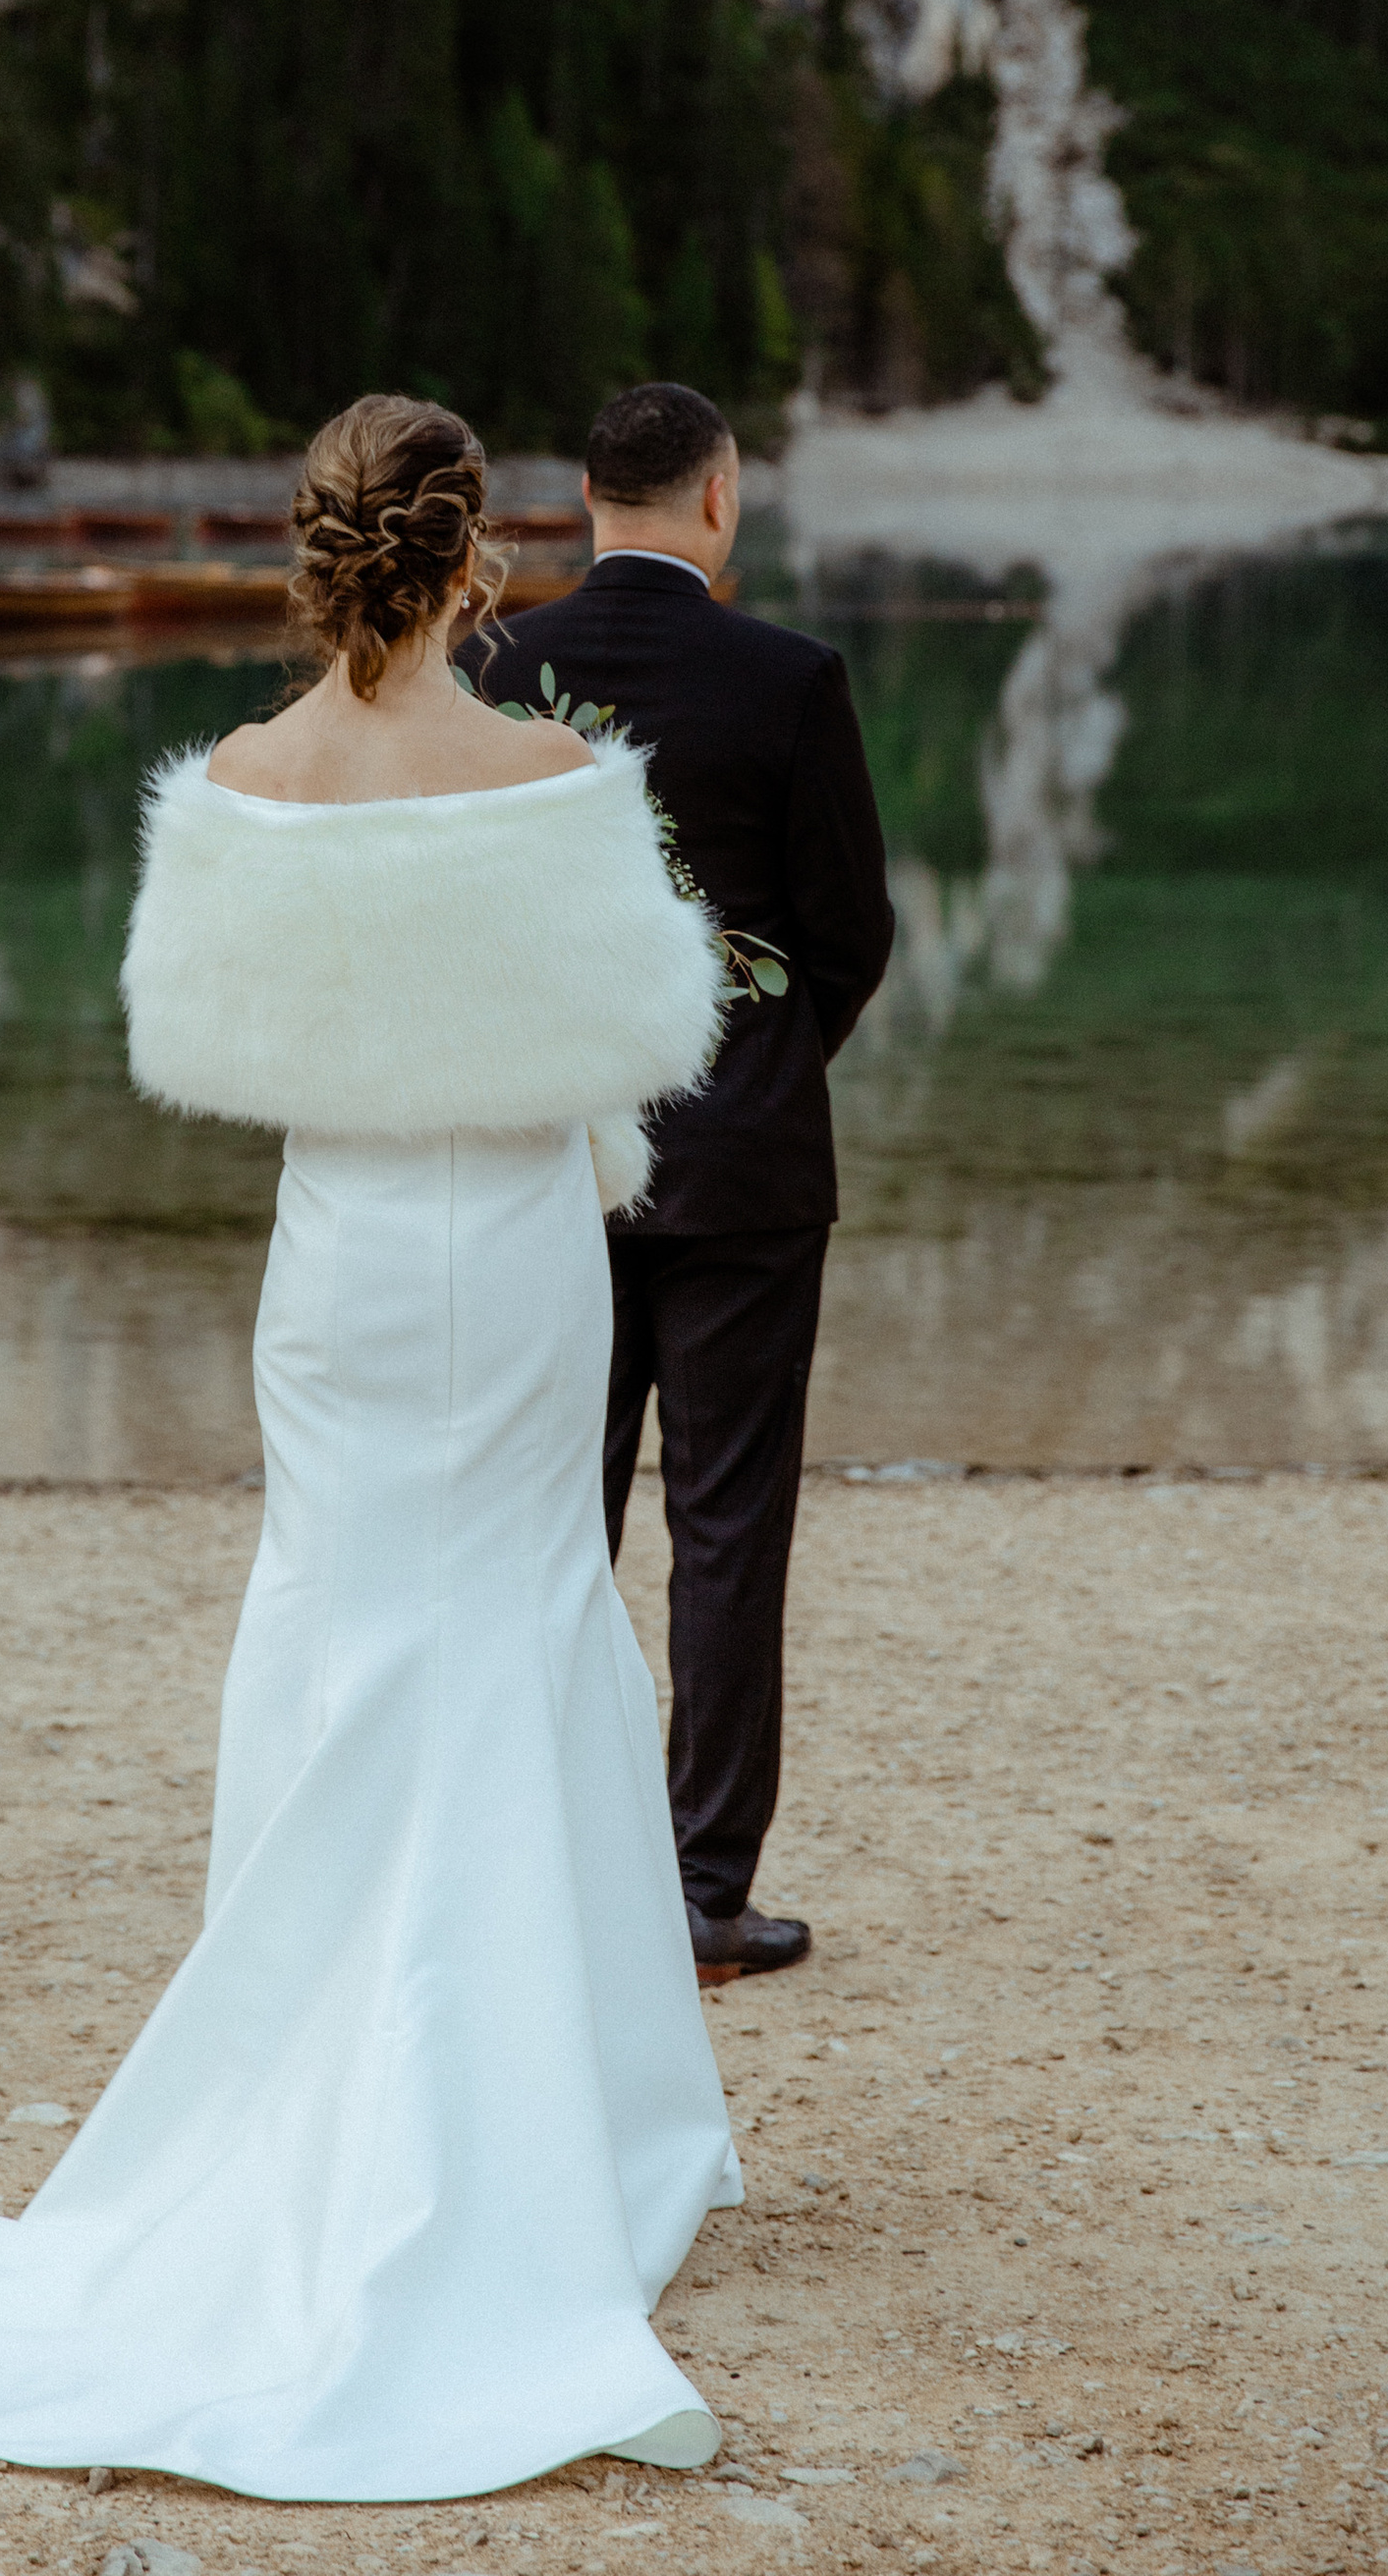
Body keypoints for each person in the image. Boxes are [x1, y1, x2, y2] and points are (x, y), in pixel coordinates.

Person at [0, 393, 738, 2500]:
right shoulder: (551, 776)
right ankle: (551, 2117)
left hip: (339, 1267)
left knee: (334, 1612)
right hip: (500, 1248)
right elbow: (656, 1031)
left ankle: (302, 2061)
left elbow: (190, 1039)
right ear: (472, 557)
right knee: (513, 1618)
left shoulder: (232, 783)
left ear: (317, 556)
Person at [465, 381, 893, 1983]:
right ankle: (706, 1895)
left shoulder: (496, 669)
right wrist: (767, 1066)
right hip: (747, 1169)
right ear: (719, 500)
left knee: (551, 1523)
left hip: (549, 1158)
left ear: (585, 497)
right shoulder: (788, 676)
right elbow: (848, 932)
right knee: (726, 1530)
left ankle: (535, 1868)